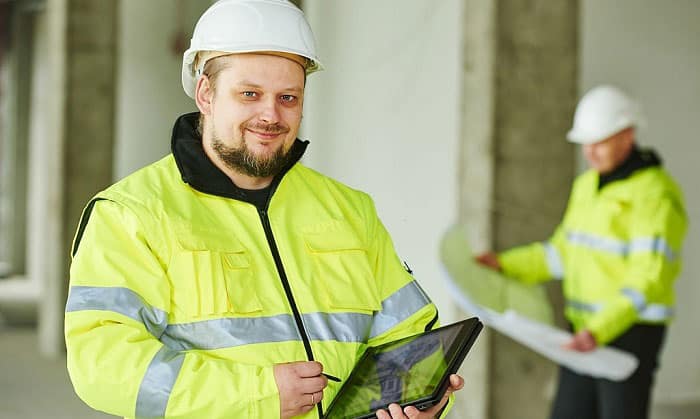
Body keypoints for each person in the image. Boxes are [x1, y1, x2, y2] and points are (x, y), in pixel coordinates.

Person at [64, 1, 463, 418]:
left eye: (288, 97)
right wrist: (259, 394)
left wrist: (425, 398)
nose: (270, 115)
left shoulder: (349, 210)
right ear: (206, 93)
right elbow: (104, 366)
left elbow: (409, 336)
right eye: (250, 94)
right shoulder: (131, 214)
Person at [476, 85, 687, 419]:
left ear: (627, 135)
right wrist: (504, 264)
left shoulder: (655, 195)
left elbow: (648, 280)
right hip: (582, 333)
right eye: (585, 143)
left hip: (629, 336)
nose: (590, 152)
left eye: (599, 141)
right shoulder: (587, 186)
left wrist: (600, 330)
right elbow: (561, 254)